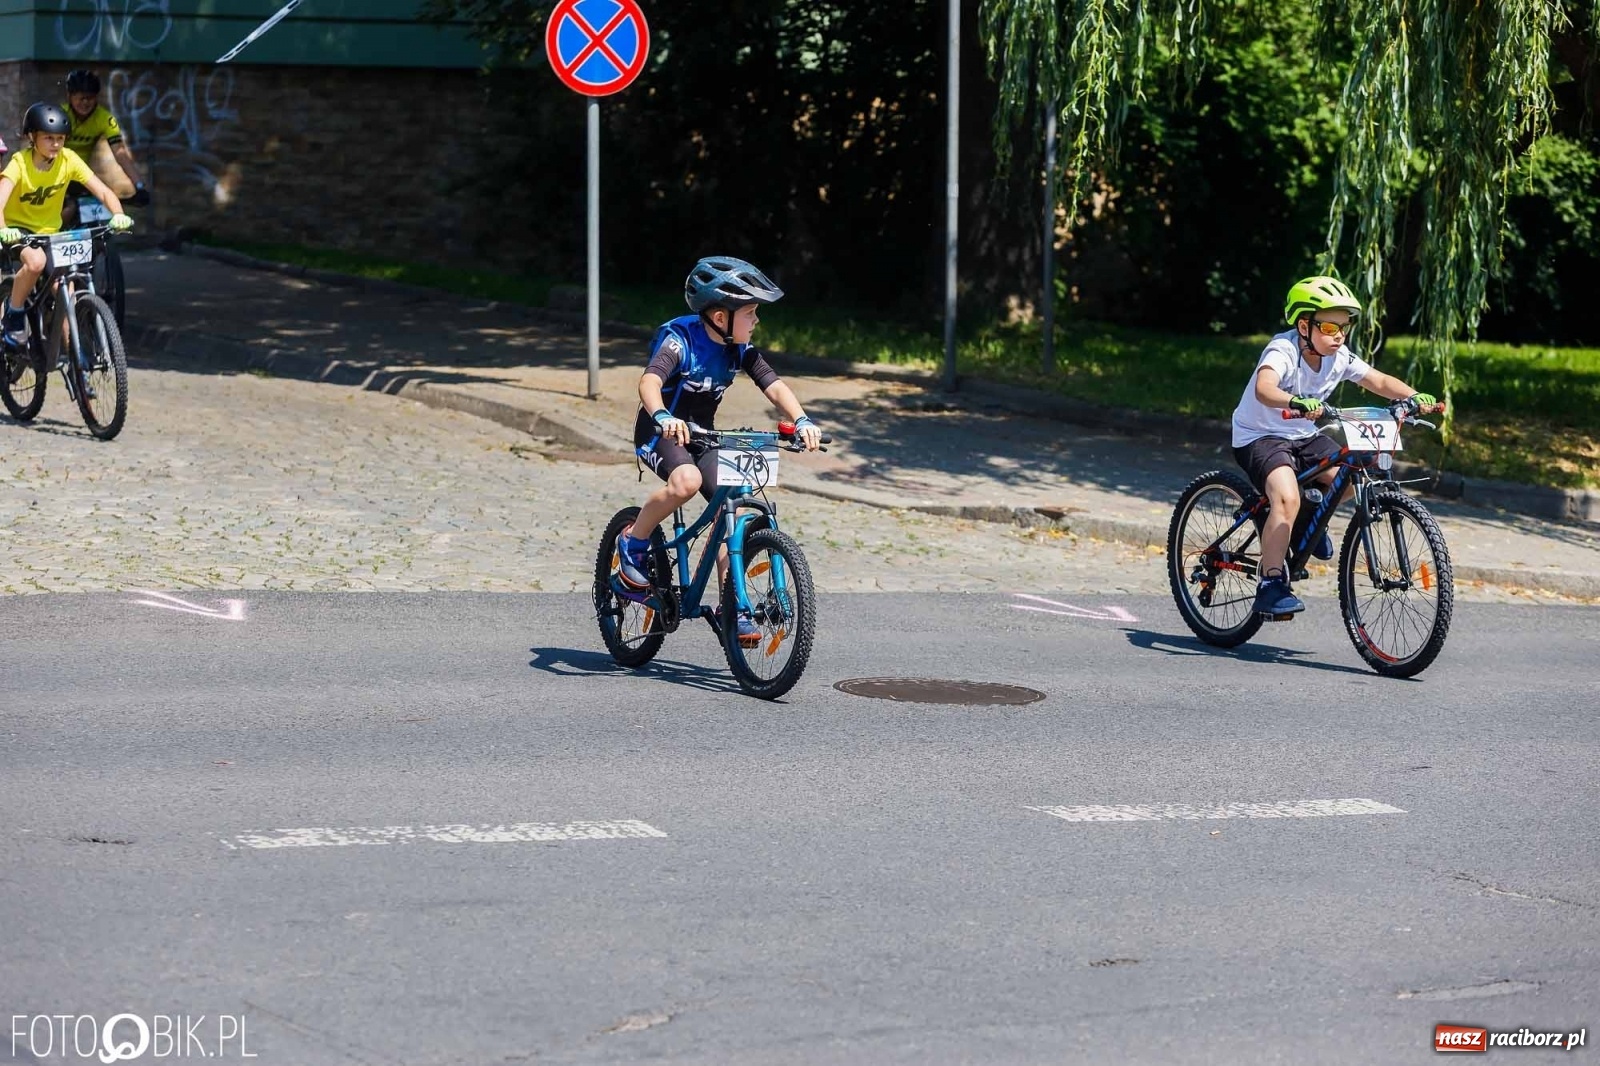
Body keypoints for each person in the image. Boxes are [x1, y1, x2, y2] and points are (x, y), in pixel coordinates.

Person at [611, 256, 823, 647]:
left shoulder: (738, 348)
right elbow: (650, 381)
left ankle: (735, 606)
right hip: (661, 431)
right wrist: (661, 414)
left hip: (704, 437)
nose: (756, 320)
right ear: (721, 317)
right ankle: (633, 542)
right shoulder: (681, 339)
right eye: (751, 312)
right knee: (687, 480)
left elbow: (773, 385)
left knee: (737, 511)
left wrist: (802, 420)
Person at [1230, 275, 1436, 617]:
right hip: (1260, 435)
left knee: (1352, 476)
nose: (1339, 334)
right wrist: (1295, 400)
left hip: (1303, 436)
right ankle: (1271, 583)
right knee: (1287, 496)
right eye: (1328, 326)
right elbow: (1264, 389)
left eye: (1345, 326)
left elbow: (1378, 380)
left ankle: (1308, 524)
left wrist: (1412, 396)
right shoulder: (1283, 350)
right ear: (1304, 325)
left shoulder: (1339, 356)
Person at [0, 103, 133, 351]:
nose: (56, 144)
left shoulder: (68, 160)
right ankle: (14, 313)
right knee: (36, 262)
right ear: (32, 137)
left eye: (60, 138)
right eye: (48, 137)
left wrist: (118, 214)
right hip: (18, 230)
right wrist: (4, 228)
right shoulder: (19, 163)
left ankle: (76, 363)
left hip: (51, 232)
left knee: (66, 292)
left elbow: (103, 191)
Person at [62, 69, 150, 215]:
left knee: (100, 212)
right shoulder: (60, 115)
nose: (85, 103)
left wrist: (139, 185)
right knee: (69, 209)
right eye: (80, 98)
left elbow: (120, 153)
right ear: (69, 97)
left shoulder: (105, 119)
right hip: (56, 175)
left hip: (79, 176)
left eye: (89, 98)